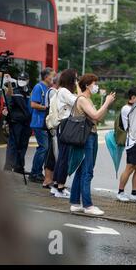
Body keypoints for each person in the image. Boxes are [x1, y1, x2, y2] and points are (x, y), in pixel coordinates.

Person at [69, 74, 115, 216]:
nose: (96, 86)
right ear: (88, 85)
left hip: (90, 135)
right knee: (88, 171)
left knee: (81, 169)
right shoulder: (83, 99)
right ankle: (88, 205)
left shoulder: (87, 99)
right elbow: (95, 116)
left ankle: (75, 203)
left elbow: (98, 118)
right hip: (87, 137)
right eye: (95, 83)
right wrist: (106, 102)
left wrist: (106, 105)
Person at [117, 87, 136, 204]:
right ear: (133, 98)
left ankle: (134, 193)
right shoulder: (126, 108)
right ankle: (120, 192)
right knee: (130, 168)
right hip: (133, 142)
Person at [52, 69, 79, 198]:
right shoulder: (64, 91)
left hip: (63, 124)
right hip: (65, 124)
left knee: (62, 156)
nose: (77, 81)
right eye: (75, 78)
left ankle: (56, 185)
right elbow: (77, 102)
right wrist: (79, 87)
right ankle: (60, 188)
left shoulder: (62, 90)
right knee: (64, 157)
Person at [29, 68, 56, 182]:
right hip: (39, 123)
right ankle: (35, 173)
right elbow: (33, 104)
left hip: (44, 124)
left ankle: (37, 172)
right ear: (46, 77)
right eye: (52, 76)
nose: (54, 78)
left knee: (45, 148)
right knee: (43, 148)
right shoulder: (38, 87)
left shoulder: (48, 88)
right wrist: (47, 108)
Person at [4, 72, 32, 174]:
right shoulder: (14, 91)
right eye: (20, 78)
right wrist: (9, 119)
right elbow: (9, 106)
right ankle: (8, 166)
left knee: (23, 145)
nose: (21, 81)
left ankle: (19, 167)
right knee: (13, 144)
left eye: (24, 79)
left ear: (28, 80)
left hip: (27, 123)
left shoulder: (29, 93)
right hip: (16, 122)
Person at [42, 73, 59, 189]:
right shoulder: (53, 91)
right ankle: (47, 180)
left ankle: (50, 179)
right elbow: (54, 108)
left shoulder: (53, 91)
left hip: (52, 123)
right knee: (51, 153)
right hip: (52, 124)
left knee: (52, 152)